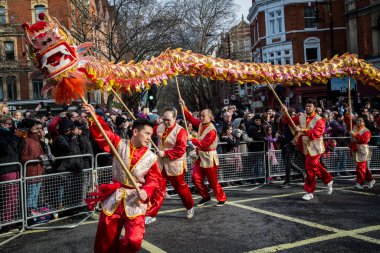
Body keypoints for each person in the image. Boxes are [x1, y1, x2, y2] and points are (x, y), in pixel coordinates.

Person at [83, 104, 161, 253]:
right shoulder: (119, 144)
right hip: (115, 199)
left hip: (135, 201)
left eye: (151, 134)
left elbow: (154, 180)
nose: (149, 138)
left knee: (134, 241)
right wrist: (94, 117)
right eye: (147, 134)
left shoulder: (152, 157)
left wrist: (146, 190)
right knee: (104, 241)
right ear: (135, 131)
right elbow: (103, 133)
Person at [147, 108, 194, 219]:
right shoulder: (159, 127)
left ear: (175, 118)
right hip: (161, 164)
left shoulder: (181, 131)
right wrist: (144, 132)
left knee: (180, 188)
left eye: (168, 120)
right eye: (164, 119)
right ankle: (151, 214)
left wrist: (165, 153)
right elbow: (149, 132)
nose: (165, 122)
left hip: (175, 164)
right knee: (158, 189)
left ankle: (190, 206)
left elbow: (181, 150)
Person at [282, 98, 333, 201]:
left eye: (310, 106)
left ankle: (309, 192)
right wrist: (285, 112)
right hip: (305, 147)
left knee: (309, 167)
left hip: (316, 147)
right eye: (306, 106)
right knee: (315, 166)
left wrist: (302, 130)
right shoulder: (301, 116)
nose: (307, 108)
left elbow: (316, 134)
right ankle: (328, 179)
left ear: (314, 107)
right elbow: (290, 122)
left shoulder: (320, 120)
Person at [180, 100, 227, 206]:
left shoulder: (212, 130)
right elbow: (191, 118)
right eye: (200, 115)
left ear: (210, 117)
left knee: (213, 181)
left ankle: (222, 198)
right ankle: (205, 197)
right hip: (200, 156)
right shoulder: (201, 124)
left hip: (209, 157)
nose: (201, 117)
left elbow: (205, 144)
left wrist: (192, 138)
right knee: (195, 178)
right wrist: (184, 106)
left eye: (203, 116)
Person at [349, 117, 375, 189]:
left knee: (360, 167)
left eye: (361, 121)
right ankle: (370, 179)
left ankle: (359, 183)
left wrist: (354, 135)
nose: (359, 122)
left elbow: (364, 139)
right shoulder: (354, 128)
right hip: (356, 149)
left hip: (362, 150)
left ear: (364, 122)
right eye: (358, 120)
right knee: (362, 167)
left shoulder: (366, 131)